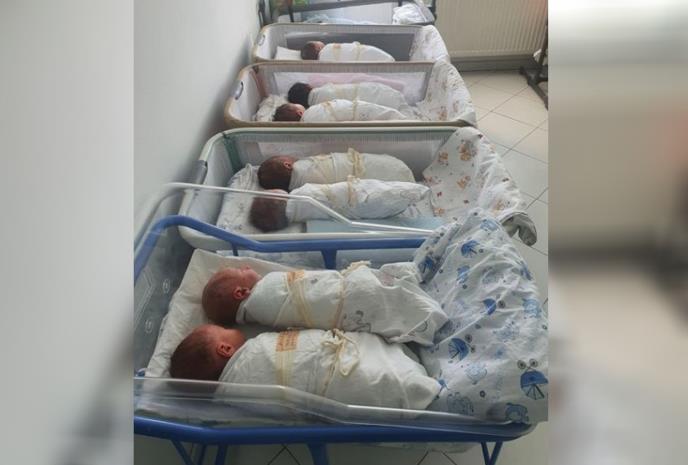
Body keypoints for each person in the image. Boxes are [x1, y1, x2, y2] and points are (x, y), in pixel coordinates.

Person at [170, 326, 439, 410]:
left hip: (328, 358)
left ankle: (408, 378)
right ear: (225, 349)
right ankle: (413, 384)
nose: (232, 329)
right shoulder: (250, 358)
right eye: (224, 330)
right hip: (327, 375)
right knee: (368, 377)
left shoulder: (234, 398)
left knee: (367, 365)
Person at [201, 260, 447, 346]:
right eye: (241, 270)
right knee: (380, 299)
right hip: (347, 298)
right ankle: (425, 318)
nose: (247, 266)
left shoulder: (259, 309)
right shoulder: (263, 298)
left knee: (383, 297)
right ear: (241, 292)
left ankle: (416, 309)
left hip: (341, 293)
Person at [248, 178, 429, 232]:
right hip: (354, 198)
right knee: (374, 194)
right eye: (271, 191)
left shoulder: (298, 212)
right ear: (276, 199)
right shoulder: (300, 197)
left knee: (372, 195)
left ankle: (407, 195)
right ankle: (411, 193)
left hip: (347, 201)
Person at [256, 148, 414, 191]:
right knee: (383, 168)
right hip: (360, 167)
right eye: (286, 158)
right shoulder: (302, 165)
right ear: (287, 165)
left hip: (356, 177)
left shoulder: (300, 190)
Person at [287, 82, 407, 110]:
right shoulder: (326, 87)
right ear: (309, 87)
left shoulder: (317, 108)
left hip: (369, 97)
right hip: (378, 91)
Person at [272, 100, 410, 123]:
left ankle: (404, 121)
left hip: (352, 111)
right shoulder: (311, 112)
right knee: (382, 113)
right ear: (299, 113)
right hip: (356, 109)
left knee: (381, 115)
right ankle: (406, 122)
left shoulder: (310, 117)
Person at [301, 40, 394, 62]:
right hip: (363, 52)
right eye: (317, 42)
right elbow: (348, 47)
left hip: (358, 60)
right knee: (384, 58)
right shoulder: (328, 47)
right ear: (317, 48)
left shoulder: (322, 64)